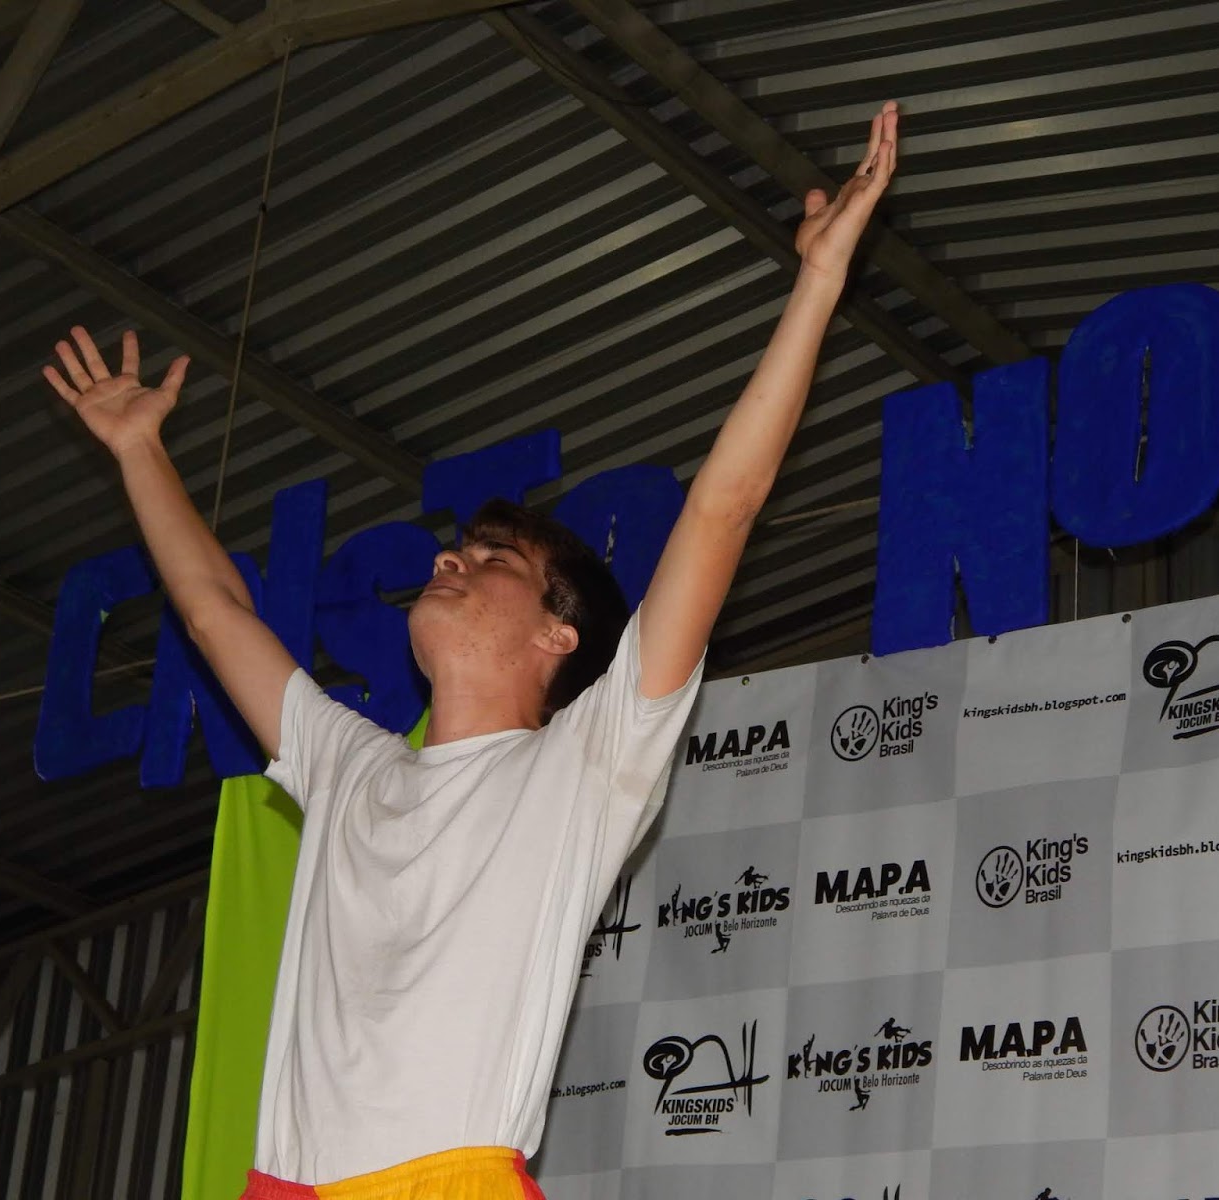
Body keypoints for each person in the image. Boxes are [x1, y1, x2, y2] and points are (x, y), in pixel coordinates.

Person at [44, 101, 899, 1200]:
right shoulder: (347, 764)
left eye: (493, 559)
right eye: (456, 550)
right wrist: (138, 451)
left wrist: (817, 283)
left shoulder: (586, 762)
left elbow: (722, 507)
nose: (451, 559)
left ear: (558, 634)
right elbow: (213, 611)